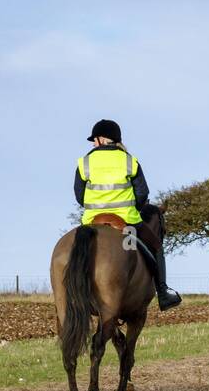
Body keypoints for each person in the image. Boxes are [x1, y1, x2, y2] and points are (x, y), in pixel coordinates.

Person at [74, 119, 181, 310]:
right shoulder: (130, 161)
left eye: (94, 139)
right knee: (156, 246)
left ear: (102, 139)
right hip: (128, 225)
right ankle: (163, 293)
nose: (92, 143)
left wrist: (96, 207)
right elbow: (142, 194)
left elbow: (79, 196)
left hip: (91, 223)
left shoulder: (84, 162)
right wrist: (134, 209)